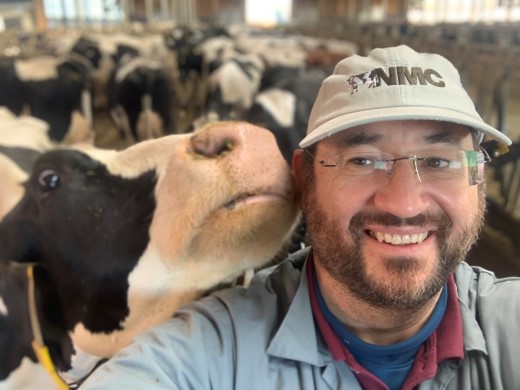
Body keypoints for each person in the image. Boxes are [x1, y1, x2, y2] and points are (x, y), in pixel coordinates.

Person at [81, 45, 519, 389]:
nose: (404, 204)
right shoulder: (211, 348)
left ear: (478, 178)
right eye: (363, 161)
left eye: (441, 161)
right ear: (303, 180)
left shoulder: (508, 323)